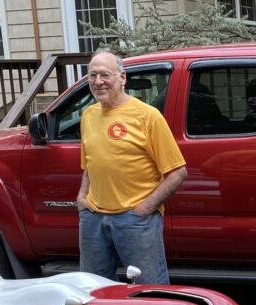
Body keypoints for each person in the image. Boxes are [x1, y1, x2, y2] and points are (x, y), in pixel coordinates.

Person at [77, 50, 187, 284]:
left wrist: (145, 208)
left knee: (149, 290)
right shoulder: (88, 115)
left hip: (135, 219)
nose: (98, 82)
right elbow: (89, 164)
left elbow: (178, 172)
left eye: (105, 75)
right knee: (93, 289)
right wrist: (82, 198)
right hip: (94, 217)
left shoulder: (148, 116)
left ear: (122, 78)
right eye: (92, 75)